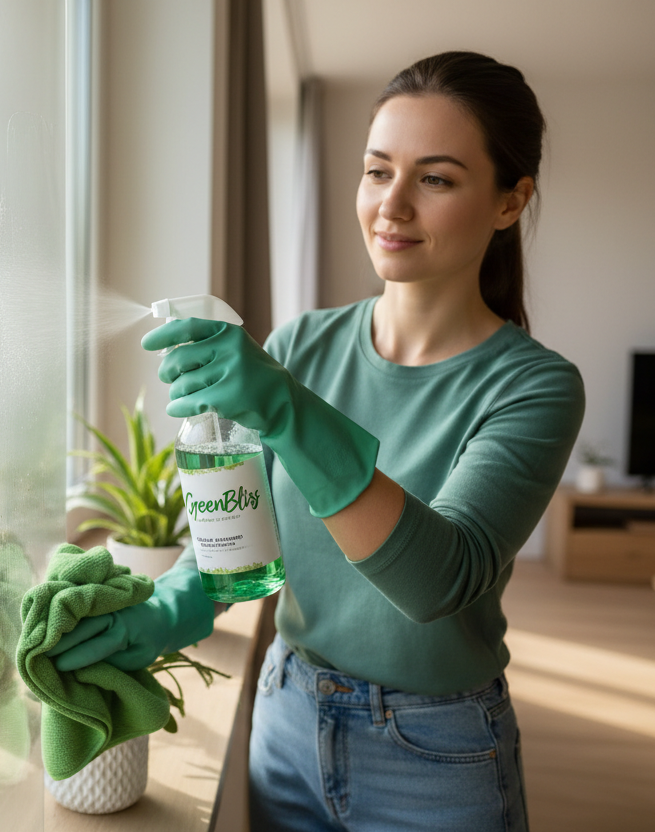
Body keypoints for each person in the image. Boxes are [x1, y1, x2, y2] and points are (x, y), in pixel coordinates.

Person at [46, 51, 584, 830]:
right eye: (377, 171)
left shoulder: (533, 387)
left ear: (510, 200)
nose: (391, 205)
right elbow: (238, 545)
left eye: (435, 179)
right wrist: (157, 615)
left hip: (437, 756)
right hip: (288, 719)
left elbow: (439, 581)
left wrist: (288, 411)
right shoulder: (301, 346)